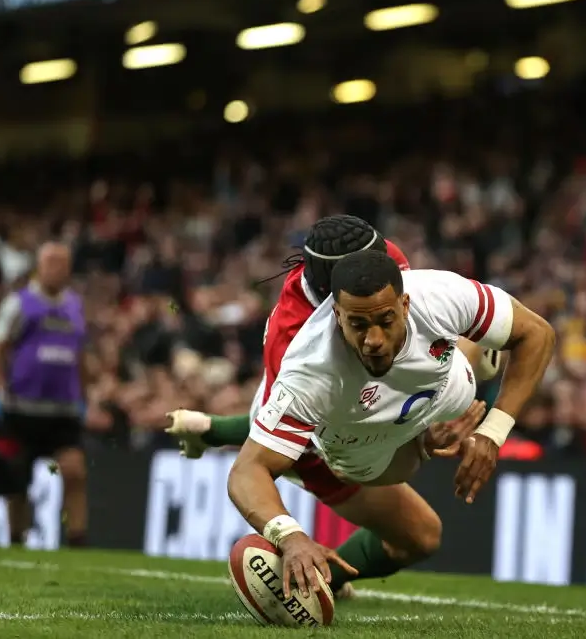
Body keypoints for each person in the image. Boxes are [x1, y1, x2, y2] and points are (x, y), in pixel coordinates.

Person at [165, 215, 498, 596]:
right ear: (336, 293)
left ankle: (211, 429)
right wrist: (290, 536)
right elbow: (274, 454)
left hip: (346, 400)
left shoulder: (380, 261)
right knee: (420, 535)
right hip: (321, 438)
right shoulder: (297, 346)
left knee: (479, 347)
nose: (379, 271)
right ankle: (318, 585)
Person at [227, 249, 556, 598]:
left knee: (467, 371)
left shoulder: (439, 293)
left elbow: (538, 333)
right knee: (420, 528)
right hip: (362, 436)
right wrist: (289, 536)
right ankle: (210, 428)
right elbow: (247, 470)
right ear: (337, 315)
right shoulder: (311, 370)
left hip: (442, 388)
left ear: (405, 305)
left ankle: (476, 349)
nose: (373, 340)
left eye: (385, 320)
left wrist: (492, 433)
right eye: (358, 324)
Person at [0, 242, 89, 547]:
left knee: (75, 472)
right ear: (38, 266)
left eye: (61, 262)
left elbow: (80, 356)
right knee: (16, 478)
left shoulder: (74, 307)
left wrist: (84, 395)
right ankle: (16, 539)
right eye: (50, 261)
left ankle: (77, 541)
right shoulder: (19, 304)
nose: (56, 268)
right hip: (21, 407)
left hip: (63, 410)